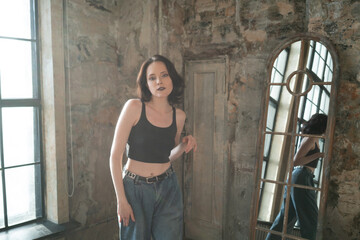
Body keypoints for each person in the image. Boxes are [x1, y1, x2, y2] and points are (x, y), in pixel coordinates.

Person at [109, 55, 197, 240]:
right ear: (146, 83)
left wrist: (183, 145)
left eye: (164, 75)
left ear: (172, 78)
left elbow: (165, 156)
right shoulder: (133, 107)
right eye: (152, 78)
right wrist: (121, 200)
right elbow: (115, 156)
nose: (159, 81)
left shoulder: (179, 116)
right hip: (135, 188)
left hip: (168, 187)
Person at [266, 113, 328, 240]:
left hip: (299, 176)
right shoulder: (311, 138)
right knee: (311, 219)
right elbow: (295, 161)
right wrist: (319, 155)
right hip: (302, 175)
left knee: (286, 218)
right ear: (323, 126)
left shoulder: (313, 138)